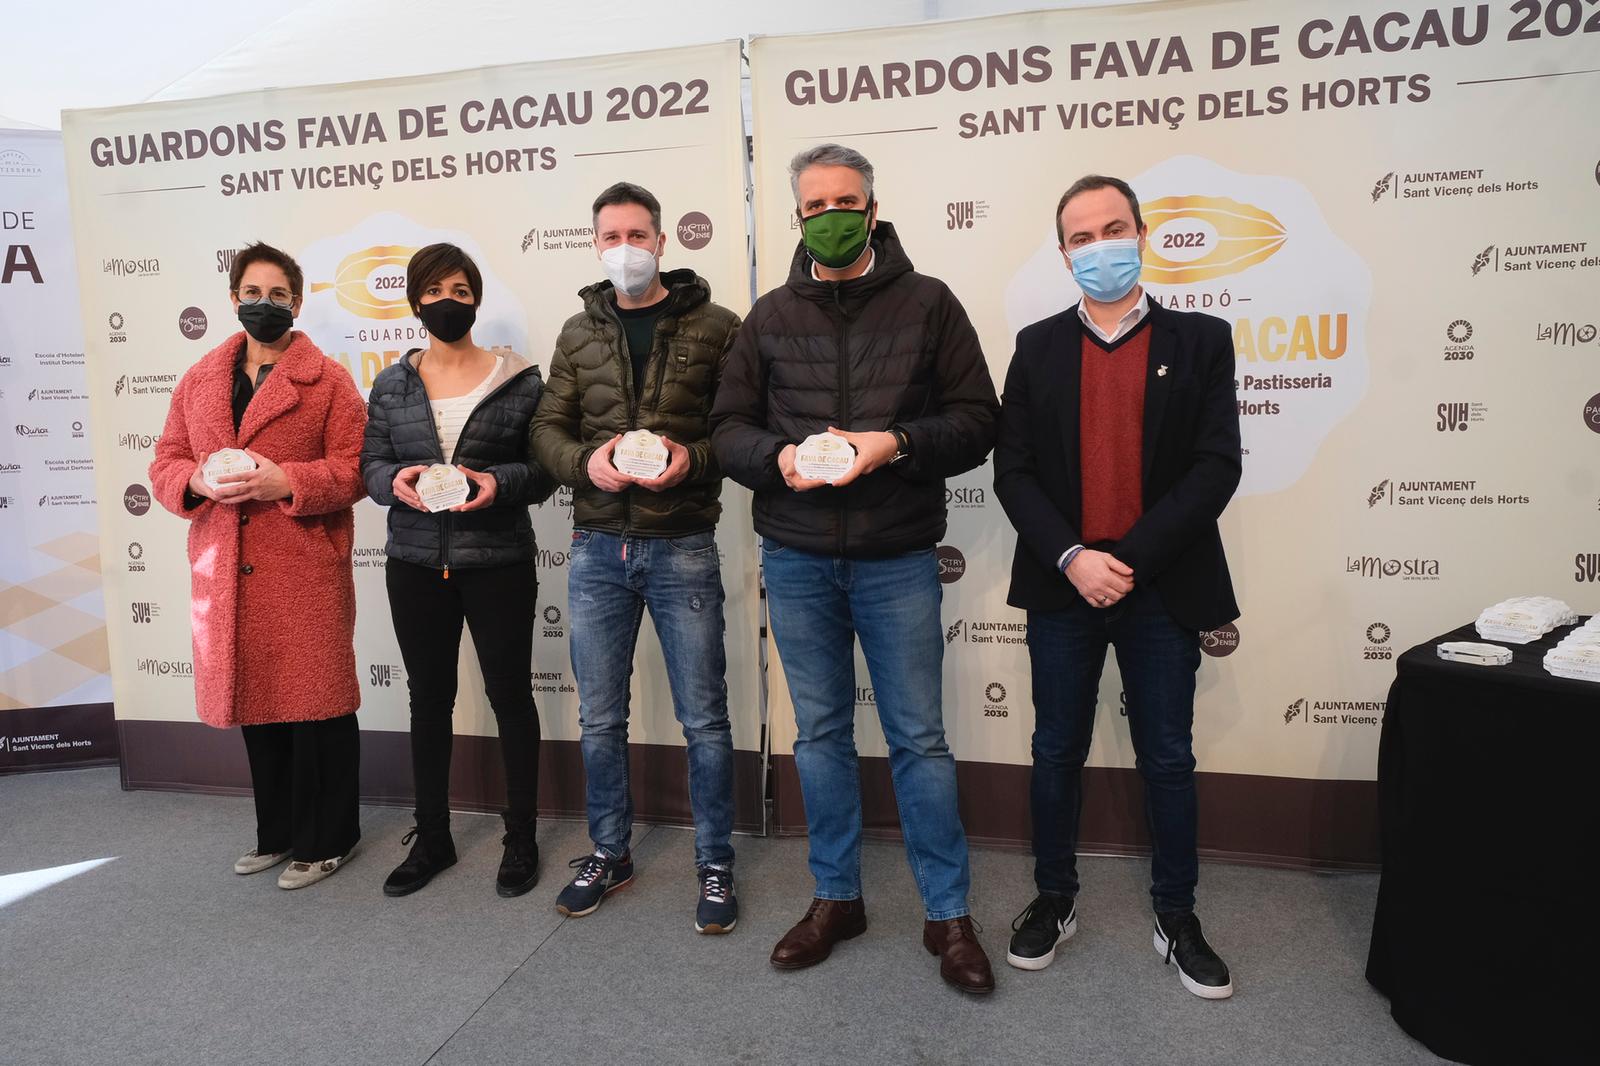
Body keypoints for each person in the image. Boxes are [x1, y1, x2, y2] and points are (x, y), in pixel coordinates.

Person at [710, 144, 1000, 993]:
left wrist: (896, 443)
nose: (830, 217)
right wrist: (778, 460)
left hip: (896, 556)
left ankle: (947, 913)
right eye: (814, 206)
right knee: (821, 738)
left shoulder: (930, 303)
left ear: (872, 210)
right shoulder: (768, 317)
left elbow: (978, 420)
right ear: (797, 218)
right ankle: (836, 898)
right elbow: (727, 429)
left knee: (919, 740)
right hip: (797, 557)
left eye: (845, 202)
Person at [992, 175, 1242, 998]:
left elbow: (1216, 466)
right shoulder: (1036, 346)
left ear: (1142, 233)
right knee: (1054, 751)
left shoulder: (1202, 340)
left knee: (1167, 756)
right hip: (1064, 583)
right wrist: (1074, 557)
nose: (1100, 246)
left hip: (1161, 585)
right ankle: (1054, 898)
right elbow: (1014, 471)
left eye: (1113, 228)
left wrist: (1126, 559)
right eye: (1082, 237)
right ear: (1064, 254)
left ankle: (1177, 915)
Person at [531, 181, 742, 934]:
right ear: (596, 245)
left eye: (637, 235)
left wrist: (692, 460)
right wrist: (584, 463)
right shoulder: (576, 332)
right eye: (611, 237)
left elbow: (740, 431)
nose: (625, 249)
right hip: (596, 547)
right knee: (599, 718)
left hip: (682, 544)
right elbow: (547, 430)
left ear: (661, 241)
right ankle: (609, 851)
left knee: (705, 719)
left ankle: (715, 860)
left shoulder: (718, 326)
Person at [149, 241, 367, 890]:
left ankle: (330, 839)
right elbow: (165, 461)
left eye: (277, 295)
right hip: (226, 570)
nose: (263, 304)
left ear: (296, 303)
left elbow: (356, 469)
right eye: (252, 293)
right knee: (258, 703)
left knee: (317, 708)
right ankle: (277, 833)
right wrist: (195, 481)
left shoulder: (328, 381)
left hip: (302, 568)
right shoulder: (200, 379)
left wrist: (288, 481)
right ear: (233, 298)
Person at [361, 243, 555, 899]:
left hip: (498, 560)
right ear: (415, 301)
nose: (449, 302)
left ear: (476, 299)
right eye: (435, 291)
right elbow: (371, 465)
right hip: (416, 562)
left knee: (510, 696)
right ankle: (433, 838)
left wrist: (498, 483)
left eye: (461, 290)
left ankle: (521, 837)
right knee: (428, 699)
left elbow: (543, 470)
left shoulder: (519, 380)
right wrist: (394, 480)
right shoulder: (391, 384)